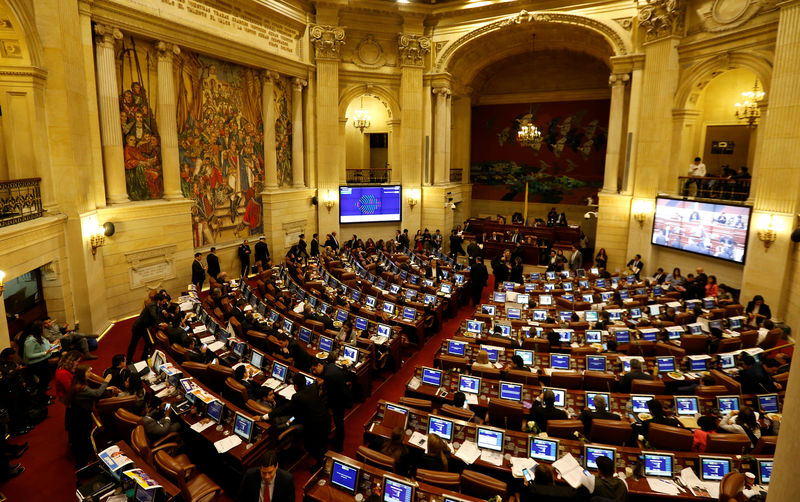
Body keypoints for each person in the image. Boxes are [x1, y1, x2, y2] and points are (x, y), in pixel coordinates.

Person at [269, 373, 330, 470]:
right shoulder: (312, 387)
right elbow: (317, 383)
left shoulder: (297, 397)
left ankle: (320, 464)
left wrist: (268, 415)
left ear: (295, 386)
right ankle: (323, 457)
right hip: (325, 418)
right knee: (322, 442)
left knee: (309, 446)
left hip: (315, 426)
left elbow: (284, 409)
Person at [67, 364, 111, 467]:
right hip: (82, 416)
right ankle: (83, 464)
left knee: (80, 440)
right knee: (83, 440)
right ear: (82, 374)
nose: (90, 374)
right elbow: (97, 394)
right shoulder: (82, 388)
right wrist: (106, 381)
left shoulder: (76, 383)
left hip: (76, 414)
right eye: (88, 372)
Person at [311, 360, 351, 452]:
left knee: (339, 423)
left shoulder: (327, 375)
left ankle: (340, 446)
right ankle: (336, 439)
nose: (314, 372)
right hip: (342, 394)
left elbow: (331, 393)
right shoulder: (330, 366)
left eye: (315, 369)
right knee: (338, 422)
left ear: (319, 365)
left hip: (339, 400)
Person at [23, 321, 56, 403]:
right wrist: (44, 353)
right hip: (36, 364)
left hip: (43, 361)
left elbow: (46, 346)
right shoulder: (30, 340)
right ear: (39, 329)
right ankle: (42, 399)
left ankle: (44, 396)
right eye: (43, 327)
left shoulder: (40, 337)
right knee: (43, 380)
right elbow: (29, 355)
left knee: (46, 379)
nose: (44, 329)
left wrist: (55, 346)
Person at [127, 292, 165, 362]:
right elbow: (153, 315)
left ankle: (143, 359)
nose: (163, 303)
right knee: (133, 344)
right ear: (159, 301)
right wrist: (160, 324)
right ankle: (129, 360)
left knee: (149, 342)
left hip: (144, 327)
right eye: (163, 301)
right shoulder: (152, 306)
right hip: (138, 327)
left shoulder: (155, 304)